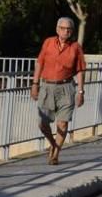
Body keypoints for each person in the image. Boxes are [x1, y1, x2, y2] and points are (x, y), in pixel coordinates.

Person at [31, 17, 87, 165]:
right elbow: (39, 63)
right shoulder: (48, 43)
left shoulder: (76, 47)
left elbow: (80, 70)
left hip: (66, 87)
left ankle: (55, 154)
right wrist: (35, 84)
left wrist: (81, 92)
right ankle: (53, 143)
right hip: (47, 87)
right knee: (42, 123)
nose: (66, 31)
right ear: (57, 29)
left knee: (62, 123)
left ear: (72, 31)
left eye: (69, 29)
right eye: (63, 28)